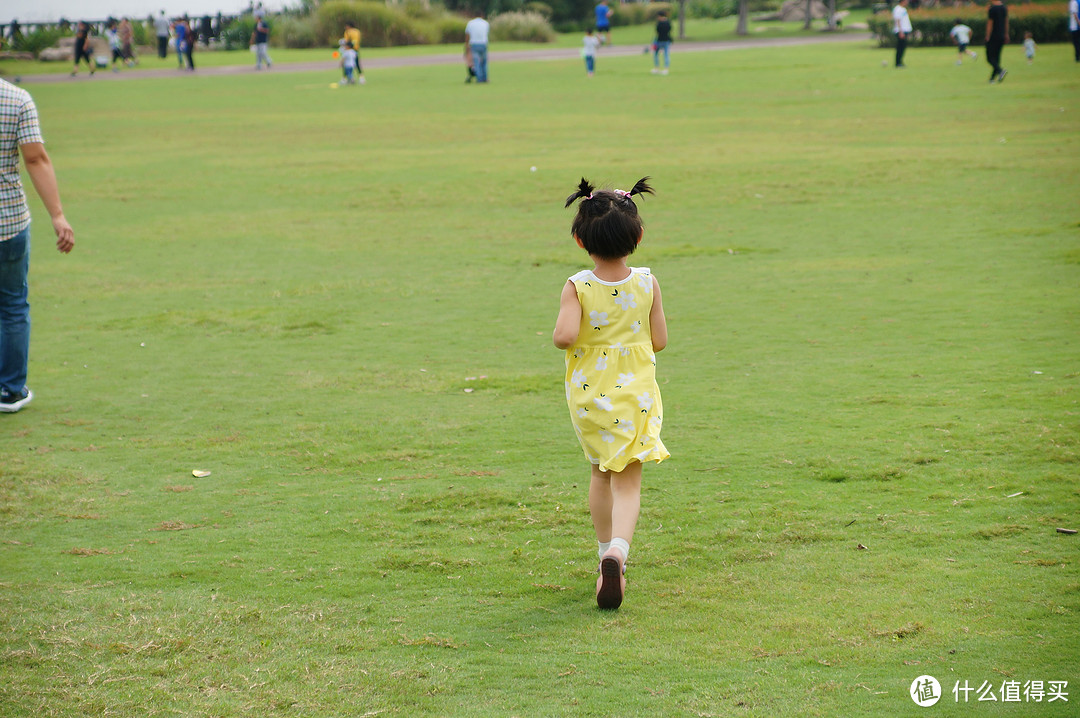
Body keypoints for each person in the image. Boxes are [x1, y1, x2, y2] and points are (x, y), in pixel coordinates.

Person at [554, 177, 670, 610]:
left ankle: (603, 550)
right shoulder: (647, 283)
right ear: (637, 236)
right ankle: (619, 552)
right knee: (629, 480)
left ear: (581, 240)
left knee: (600, 474)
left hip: (591, 394)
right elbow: (659, 340)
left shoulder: (577, 285)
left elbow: (564, 337)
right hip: (635, 393)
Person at [0, 78, 75, 414]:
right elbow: (36, 159)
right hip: (8, 222)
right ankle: (10, 390)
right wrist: (57, 216)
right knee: (13, 305)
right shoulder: (16, 99)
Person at [985, 0, 1008, 83]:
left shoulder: (992, 9)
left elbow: (990, 23)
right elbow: (1006, 22)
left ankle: (1000, 71)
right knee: (997, 58)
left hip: (993, 36)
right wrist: (1006, 34)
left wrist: (987, 36)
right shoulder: (1004, 8)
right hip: (1001, 35)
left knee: (990, 58)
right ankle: (992, 79)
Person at [465, 12, 490, 83]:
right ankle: (485, 78)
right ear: (482, 15)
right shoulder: (485, 23)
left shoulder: (470, 23)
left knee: (476, 62)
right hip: (483, 43)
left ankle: (479, 78)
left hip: (474, 44)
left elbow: (467, 35)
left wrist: (467, 45)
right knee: (484, 62)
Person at [892, 0, 912, 68]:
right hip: (901, 31)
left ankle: (900, 61)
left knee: (903, 47)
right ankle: (898, 63)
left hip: (905, 30)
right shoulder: (898, 9)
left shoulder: (903, 9)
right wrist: (901, 31)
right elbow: (898, 20)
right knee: (900, 47)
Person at [652, 10, 672, 75]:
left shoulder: (659, 23)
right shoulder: (668, 22)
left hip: (659, 41)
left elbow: (657, 31)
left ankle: (657, 68)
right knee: (666, 55)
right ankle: (666, 68)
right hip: (667, 40)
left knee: (656, 55)